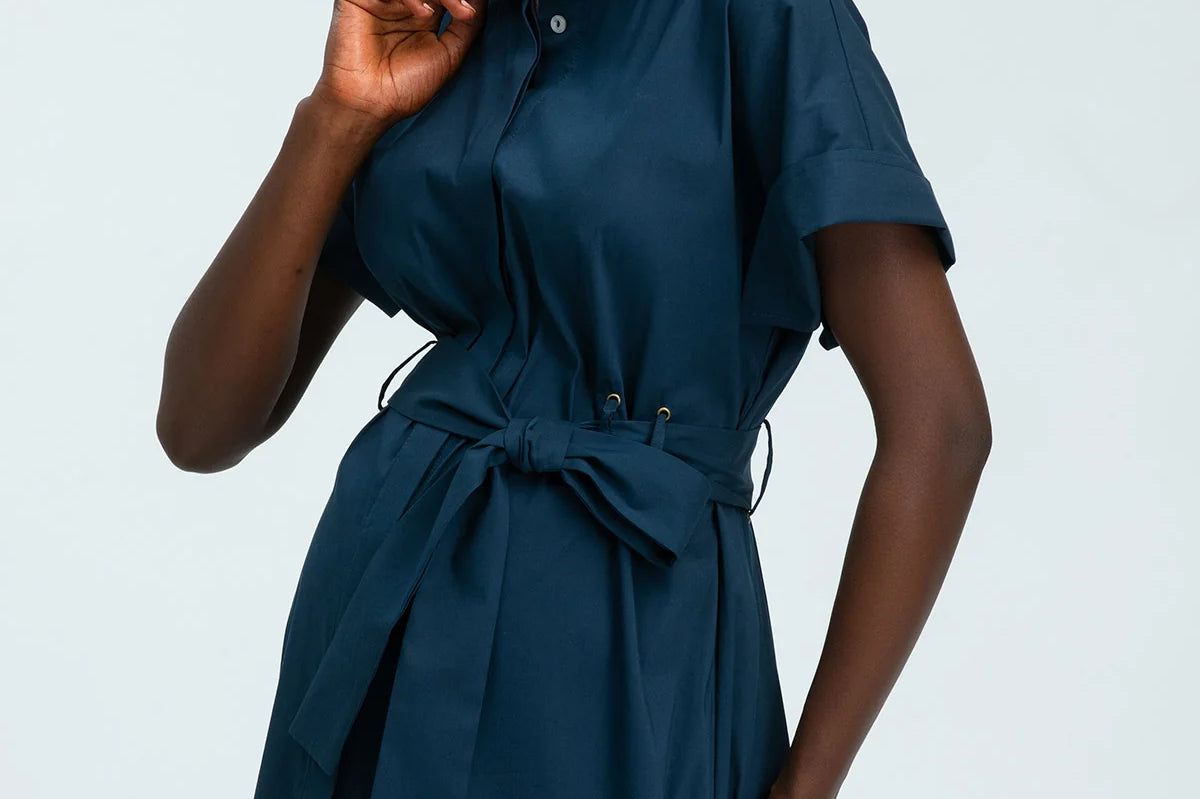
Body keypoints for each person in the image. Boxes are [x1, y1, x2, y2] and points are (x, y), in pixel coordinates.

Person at [156, 0, 991, 797]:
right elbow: (200, 426)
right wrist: (338, 115)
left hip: (629, 645)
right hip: (383, 611)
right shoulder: (436, 23)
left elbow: (942, 424)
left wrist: (804, 787)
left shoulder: (774, 19)